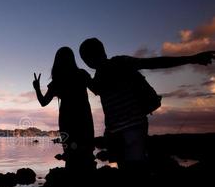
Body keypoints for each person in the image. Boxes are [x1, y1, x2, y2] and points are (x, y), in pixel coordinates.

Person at [79, 37, 214, 171]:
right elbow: (97, 89)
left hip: (132, 127)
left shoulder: (120, 63)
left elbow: (154, 63)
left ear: (100, 53)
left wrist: (192, 58)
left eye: (88, 58)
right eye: (86, 59)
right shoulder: (99, 76)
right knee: (129, 169)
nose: (89, 62)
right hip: (116, 130)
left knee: (134, 168)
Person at [33, 46, 96, 170]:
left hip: (67, 122)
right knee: (87, 154)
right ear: (72, 59)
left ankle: (73, 186)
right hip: (84, 120)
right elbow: (97, 89)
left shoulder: (58, 81)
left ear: (57, 62)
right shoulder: (82, 74)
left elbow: (43, 102)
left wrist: (37, 89)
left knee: (71, 156)